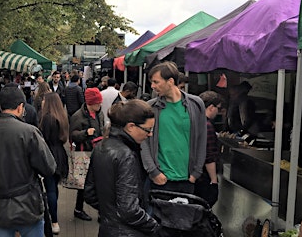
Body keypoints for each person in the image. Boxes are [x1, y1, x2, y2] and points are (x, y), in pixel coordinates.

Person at [0, 86, 56, 237]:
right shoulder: (29, 132)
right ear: (20, 107)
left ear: (0, 107)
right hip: (28, 205)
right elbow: (49, 167)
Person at [85, 100, 160, 236]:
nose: (150, 134)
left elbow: (90, 194)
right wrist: (155, 227)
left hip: (107, 228)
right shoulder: (127, 155)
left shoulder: (101, 146)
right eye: (148, 130)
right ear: (131, 126)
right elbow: (129, 210)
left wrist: (110, 213)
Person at [140, 61, 206, 195]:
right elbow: (143, 141)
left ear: (170, 81)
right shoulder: (150, 107)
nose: (152, 86)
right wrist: (153, 171)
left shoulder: (196, 104)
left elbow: (202, 138)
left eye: (156, 82)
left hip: (187, 180)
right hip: (160, 180)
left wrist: (196, 173)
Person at [69, 87, 104, 221]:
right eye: (97, 103)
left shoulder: (100, 113)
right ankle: (78, 209)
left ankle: (101, 211)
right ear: (90, 103)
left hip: (98, 151)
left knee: (100, 183)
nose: (100, 105)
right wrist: (85, 133)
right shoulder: (78, 116)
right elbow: (72, 136)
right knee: (83, 184)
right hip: (84, 153)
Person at [39, 92, 69, 234]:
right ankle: (54, 214)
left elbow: (44, 138)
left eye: (44, 99)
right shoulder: (62, 116)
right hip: (60, 153)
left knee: (49, 188)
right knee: (54, 187)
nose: (42, 102)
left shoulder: (47, 118)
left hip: (49, 153)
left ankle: (54, 221)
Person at [194, 91, 223, 207]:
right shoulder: (207, 126)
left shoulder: (191, 121)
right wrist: (214, 180)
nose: (218, 111)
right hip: (203, 177)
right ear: (211, 107)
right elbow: (209, 156)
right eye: (218, 108)